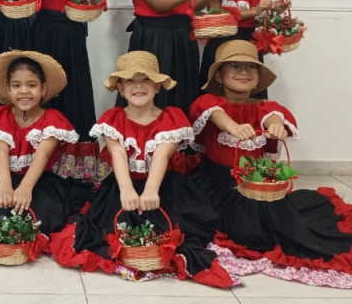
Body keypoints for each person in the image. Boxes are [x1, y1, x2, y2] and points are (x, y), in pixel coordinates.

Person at [190, 40, 352, 286]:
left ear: (258, 79)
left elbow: (274, 115)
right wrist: (234, 127)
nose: (244, 73)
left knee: (283, 226)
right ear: (220, 77)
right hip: (218, 185)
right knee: (246, 231)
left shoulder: (265, 107)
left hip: (256, 185)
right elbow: (217, 113)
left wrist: (276, 126)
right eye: (234, 67)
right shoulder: (209, 103)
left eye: (251, 68)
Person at [50, 51, 233, 288]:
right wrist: (126, 190)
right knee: (114, 226)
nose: (138, 86)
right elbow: (117, 153)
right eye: (130, 81)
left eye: (146, 80)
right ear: (120, 88)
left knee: (168, 228)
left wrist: (151, 191)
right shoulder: (113, 118)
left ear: (157, 87)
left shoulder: (172, 118)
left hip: (163, 186)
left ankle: (153, 248)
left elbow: (161, 155)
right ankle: (134, 246)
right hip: (122, 182)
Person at [0, 51, 93, 246]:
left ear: (43, 88)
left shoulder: (52, 119)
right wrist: (5, 186)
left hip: (38, 181)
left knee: (35, 215)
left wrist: (25, 189)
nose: (24, 91)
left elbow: (44, 154)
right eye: (16, 86)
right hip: (5, 176)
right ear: (8, 89)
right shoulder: (1, 115)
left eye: (32, 85)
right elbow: (0, 151)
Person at [22, 0, 107, 181]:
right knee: (45, 89)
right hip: (45, 30)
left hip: (73, 31)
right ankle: (42, 157)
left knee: (75, 89)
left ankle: (75, 164)